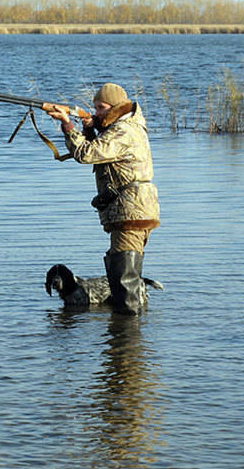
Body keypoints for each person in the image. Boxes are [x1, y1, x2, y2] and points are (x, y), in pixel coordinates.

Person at [47, 83, 160, 315]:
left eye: (101, 108)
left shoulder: (124, 131)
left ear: (115, 108)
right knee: (122, 273)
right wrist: (89, 128)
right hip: (132, 210)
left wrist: (68, 125)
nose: (96, 112)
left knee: (123, 280)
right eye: (95, 108)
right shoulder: (124, 126)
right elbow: (100, 151)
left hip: (131, 213)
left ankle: (125, 342)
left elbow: (87, 154)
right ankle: (125, 336)